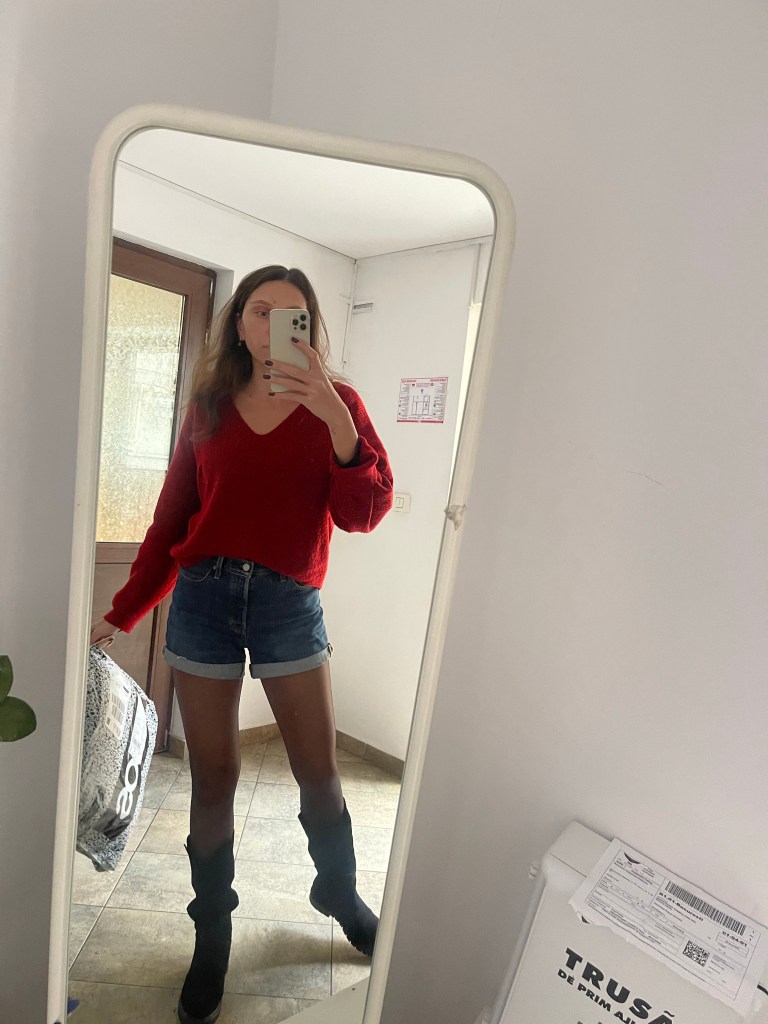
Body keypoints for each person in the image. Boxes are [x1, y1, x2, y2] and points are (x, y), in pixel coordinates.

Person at [90, 265, 394, 1024]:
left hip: (289, 603)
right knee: (214, 777)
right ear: (238, 323)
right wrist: (124, 612)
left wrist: (336, 418)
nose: (273, 326)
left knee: (318, 770)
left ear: (311, 326)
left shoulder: (339, 404)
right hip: (205, 600)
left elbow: (363, 513)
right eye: (260, 311)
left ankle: (339, 892)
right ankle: (212, 935)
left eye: (293, 314)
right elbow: (172, 520)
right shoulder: (209, 408)